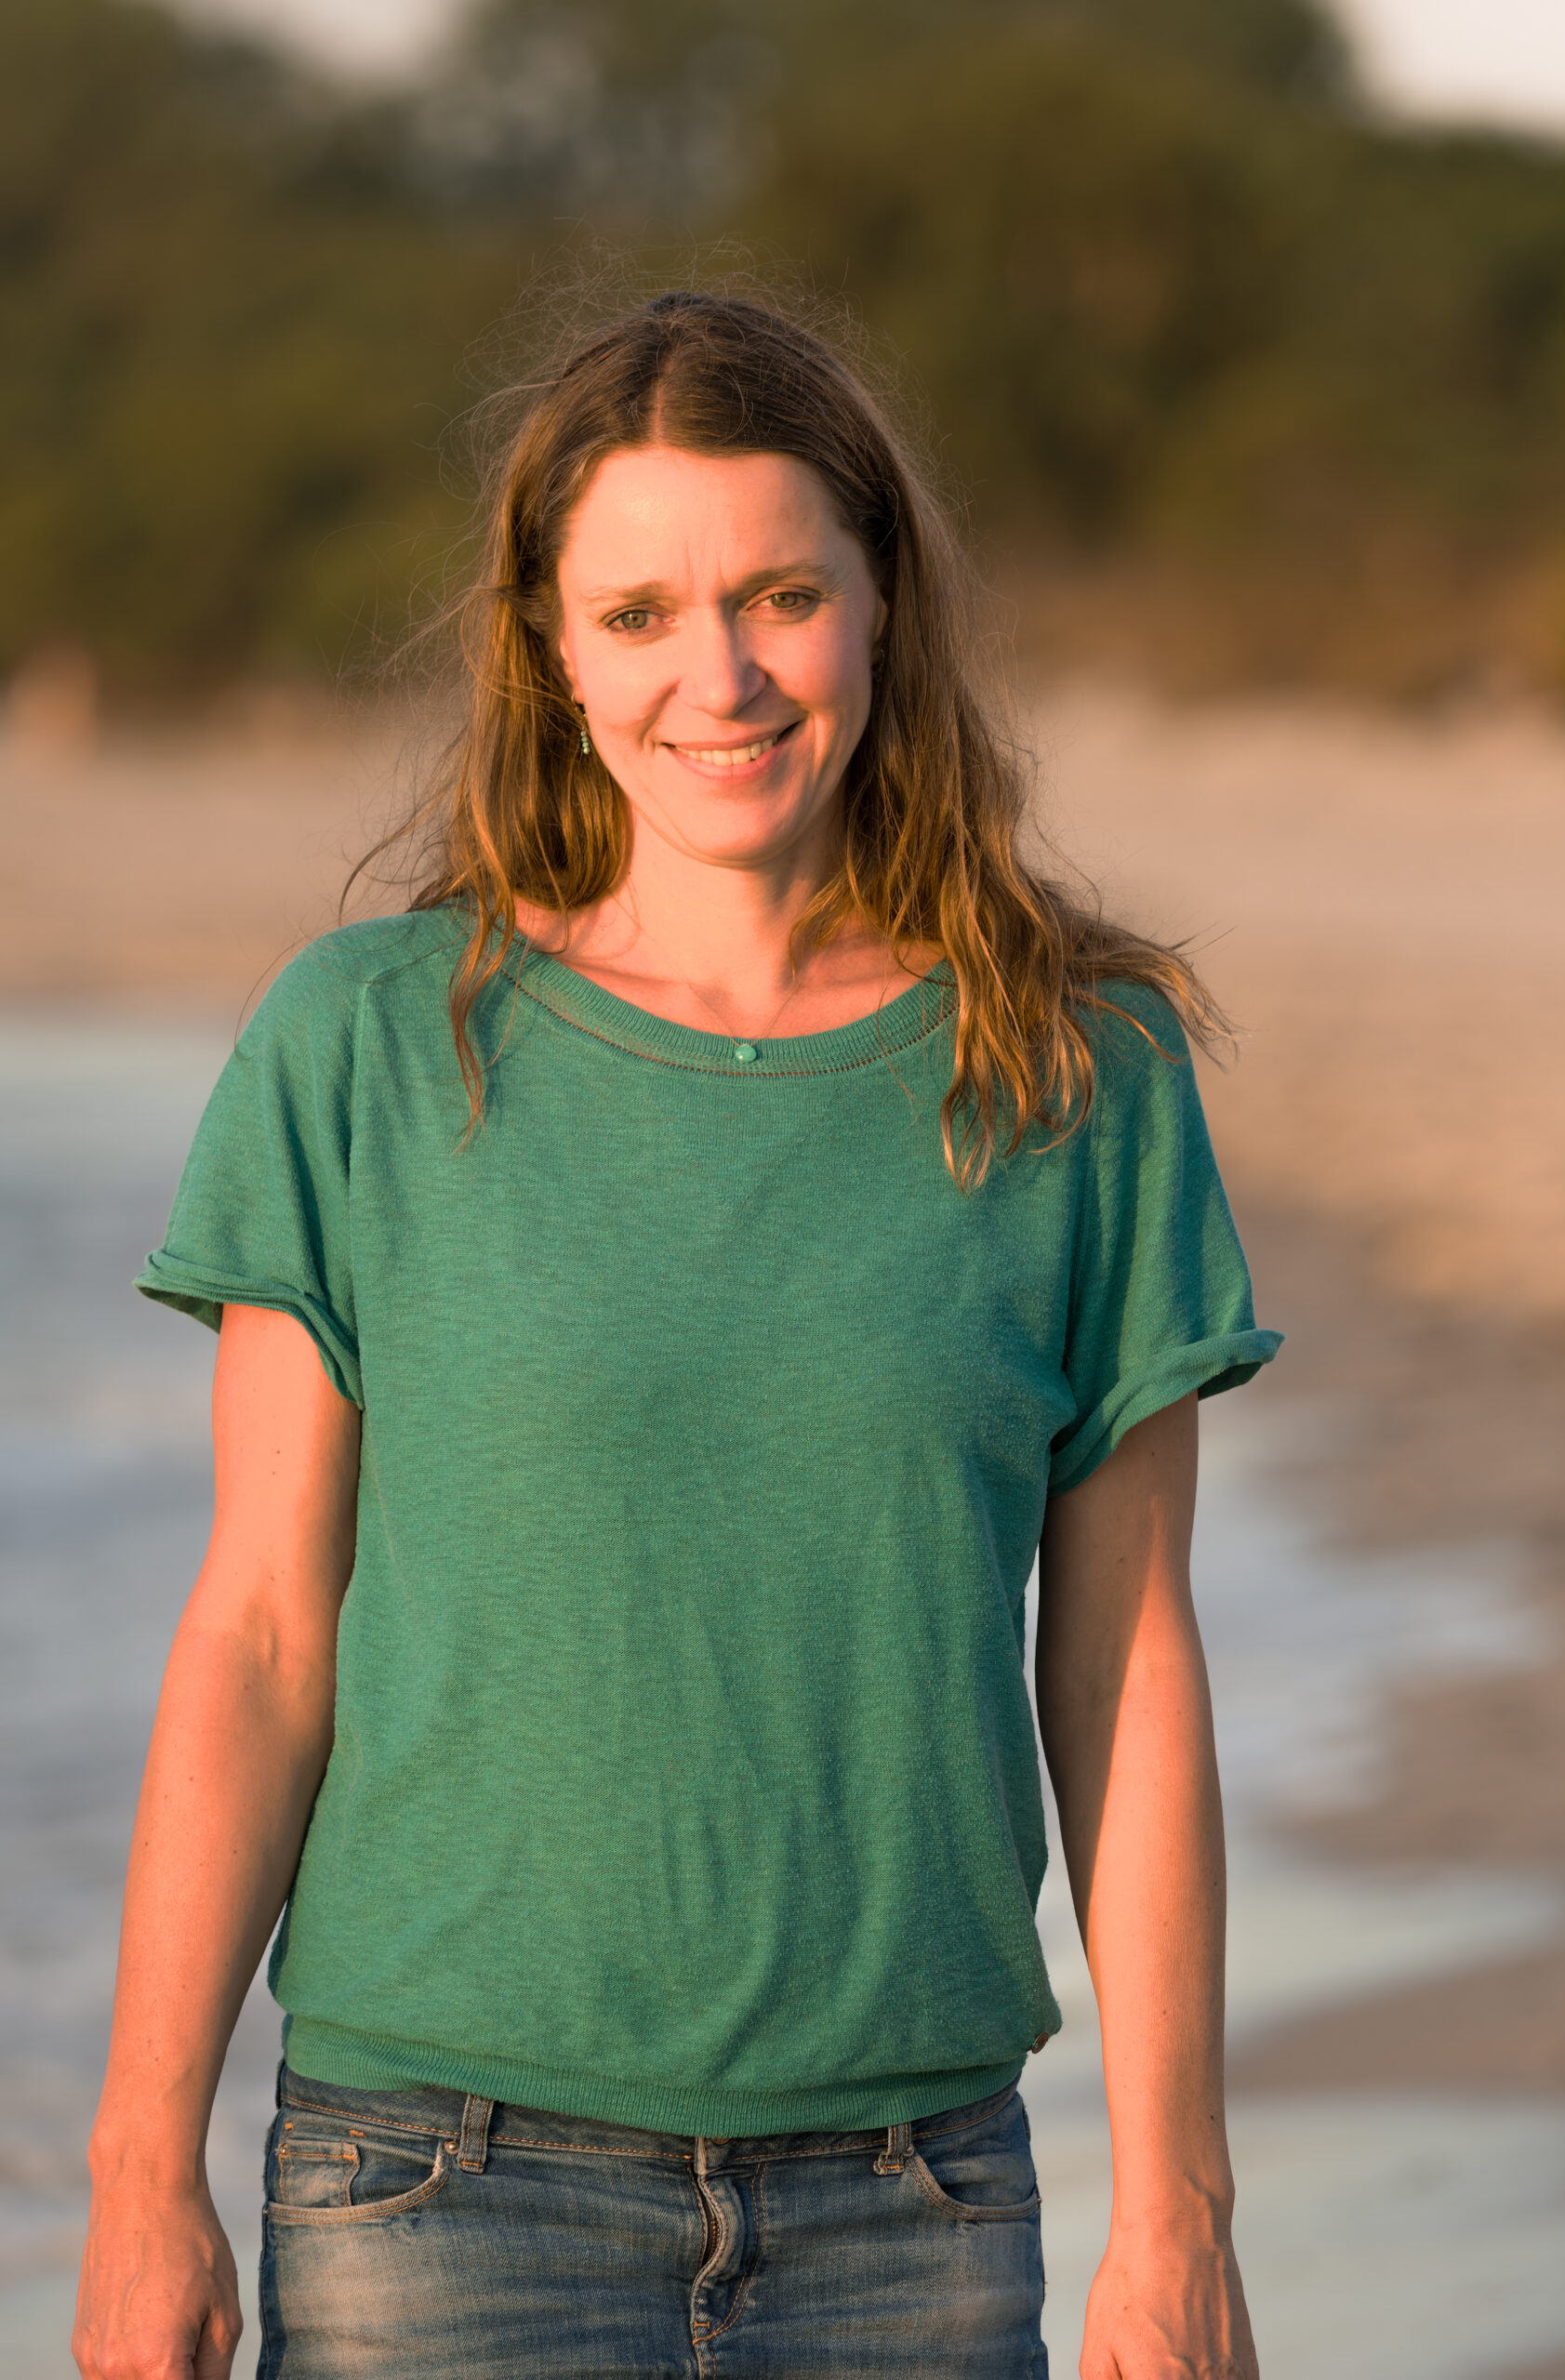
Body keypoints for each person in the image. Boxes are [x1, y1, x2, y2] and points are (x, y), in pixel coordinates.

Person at [73, 288, 1280, 2380]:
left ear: (878, 603)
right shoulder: (365, 1047)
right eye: (636, 612)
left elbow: (1127, 1663)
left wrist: (1171, 2209)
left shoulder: (1073, 1071)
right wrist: (135, 2168)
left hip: (911, 2205)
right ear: (550, 650)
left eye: (779, 594)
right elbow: (263, 1626)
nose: (715, 675)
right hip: (433, 2193)